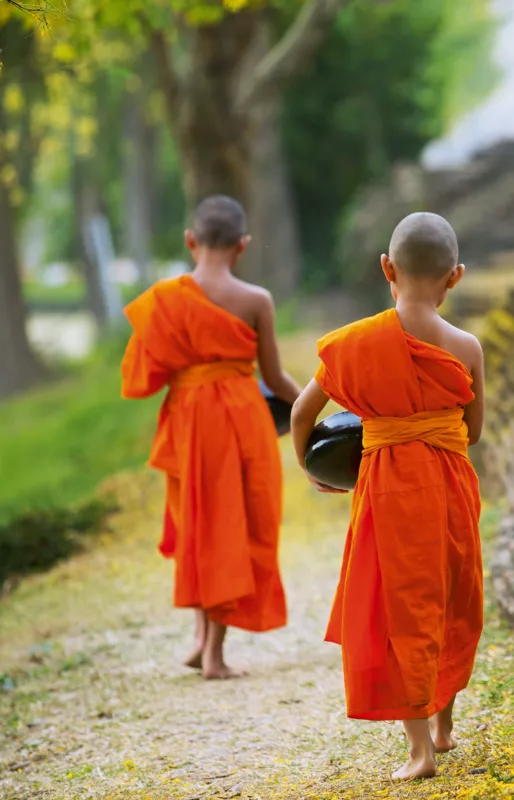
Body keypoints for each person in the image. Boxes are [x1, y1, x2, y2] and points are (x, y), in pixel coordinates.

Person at [290, 212, 486, 781]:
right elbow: (472, 431)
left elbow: (303, 414)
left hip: (387, 490)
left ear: (387, 269)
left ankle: (420, 750)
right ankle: (446, 726)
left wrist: (314, 468)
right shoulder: (467, 346)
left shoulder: (357, 344)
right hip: (449, 486)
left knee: (403, 606)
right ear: (456, 278)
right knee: (450, 596)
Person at [121, 195, 301, 680]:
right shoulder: (255, 300)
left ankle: (202, 639)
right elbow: (277, 380)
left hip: (189, 420)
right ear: (242, 246)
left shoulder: (167, 298)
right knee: (234, 525)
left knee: (198, 522)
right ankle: (215, 654)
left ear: (190, 241)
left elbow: (142, 375)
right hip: (241, 420)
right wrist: (315, 403)